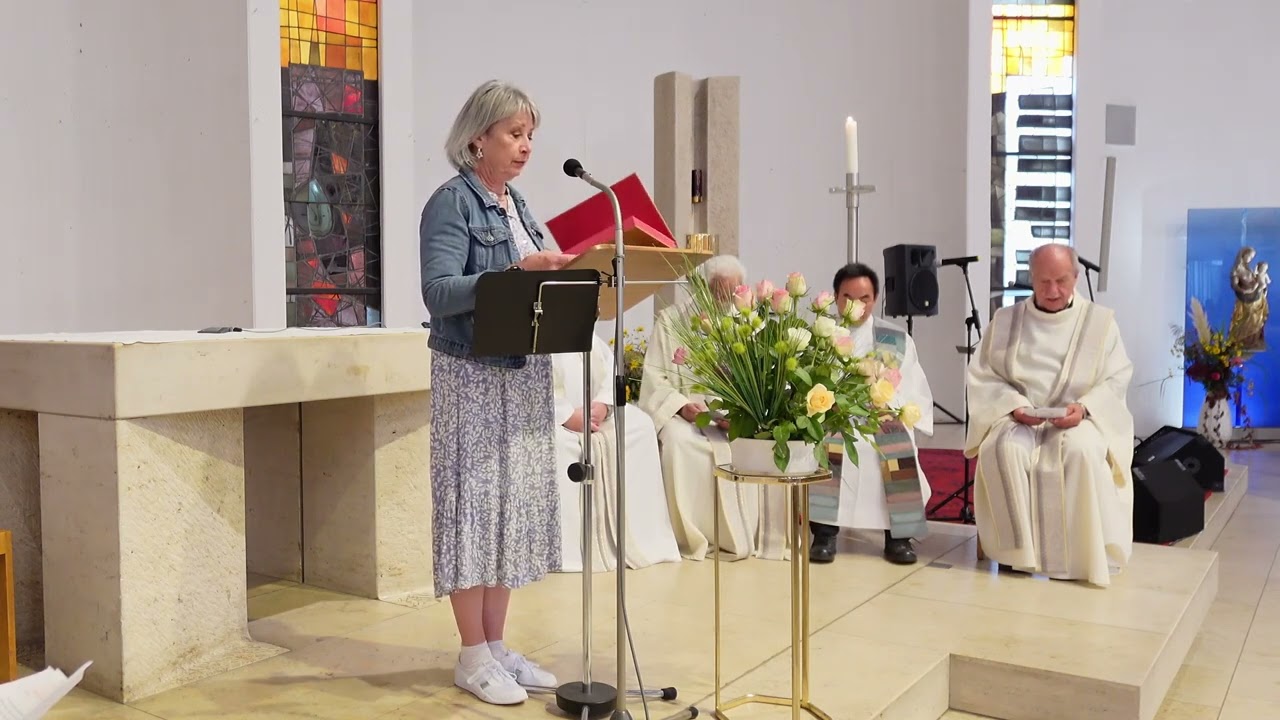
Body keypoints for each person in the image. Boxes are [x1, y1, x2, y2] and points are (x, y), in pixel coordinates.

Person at [419, 79, 574, 706]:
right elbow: (439, 293)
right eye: (514, 133)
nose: (526, 145)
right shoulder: (451, 202)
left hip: (523, 368)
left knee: (509, 508)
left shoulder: (518, 204)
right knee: (474, 507)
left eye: (530, 134)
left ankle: (497, 645)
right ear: (478, 137)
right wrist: (513, 272)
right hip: (472, 374)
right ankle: (472, 655)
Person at [964, 243, 1135, 586]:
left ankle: (1078, 559)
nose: (1053, 291)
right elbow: (983, 375)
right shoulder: (1006, 321)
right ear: (1031, 278)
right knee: (1001, 449)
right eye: (1044, 282)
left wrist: (1084, 407)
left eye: (1061, 281)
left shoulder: (1100, 324)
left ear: (1076, 277)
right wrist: (1013, 405)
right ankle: (1016, 556)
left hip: (1078, 417)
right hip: (1019, 417)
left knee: (1081, 451)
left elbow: (1116, 378)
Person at [638, 255, 788, 560]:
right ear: (703, 287)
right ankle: (692, 534)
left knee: (761, 442)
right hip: (687, 416)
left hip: (734, 418)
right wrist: (682, 407)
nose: (724, 299)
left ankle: (751, 533)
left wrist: (745, 414)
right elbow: (654, 378)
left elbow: (767, 381)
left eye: (732, 292)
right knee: (679, 443)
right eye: (718, 291)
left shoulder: (750, 325)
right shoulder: (672, 321)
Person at [808, 263, 935, 565]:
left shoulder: (896, 340)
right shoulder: (821, 336)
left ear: (875, 299)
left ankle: (898, 538)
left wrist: (888, 402)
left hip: (880, 416)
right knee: (826, 447)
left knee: (897, 448)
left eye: (864, 298)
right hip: (834, 417)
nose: (857, 305)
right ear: (836, 297)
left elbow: (912, 386)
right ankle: (824, 534)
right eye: (848, 297)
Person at [551, 334, 683, 572]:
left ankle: (645, 540)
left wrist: (603, 405)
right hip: (553, 417)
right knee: (559, 445)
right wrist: (567, 415)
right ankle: (570, 552)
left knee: (640, 426)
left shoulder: (577, 324)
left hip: (593, 414)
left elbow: (607, 365)